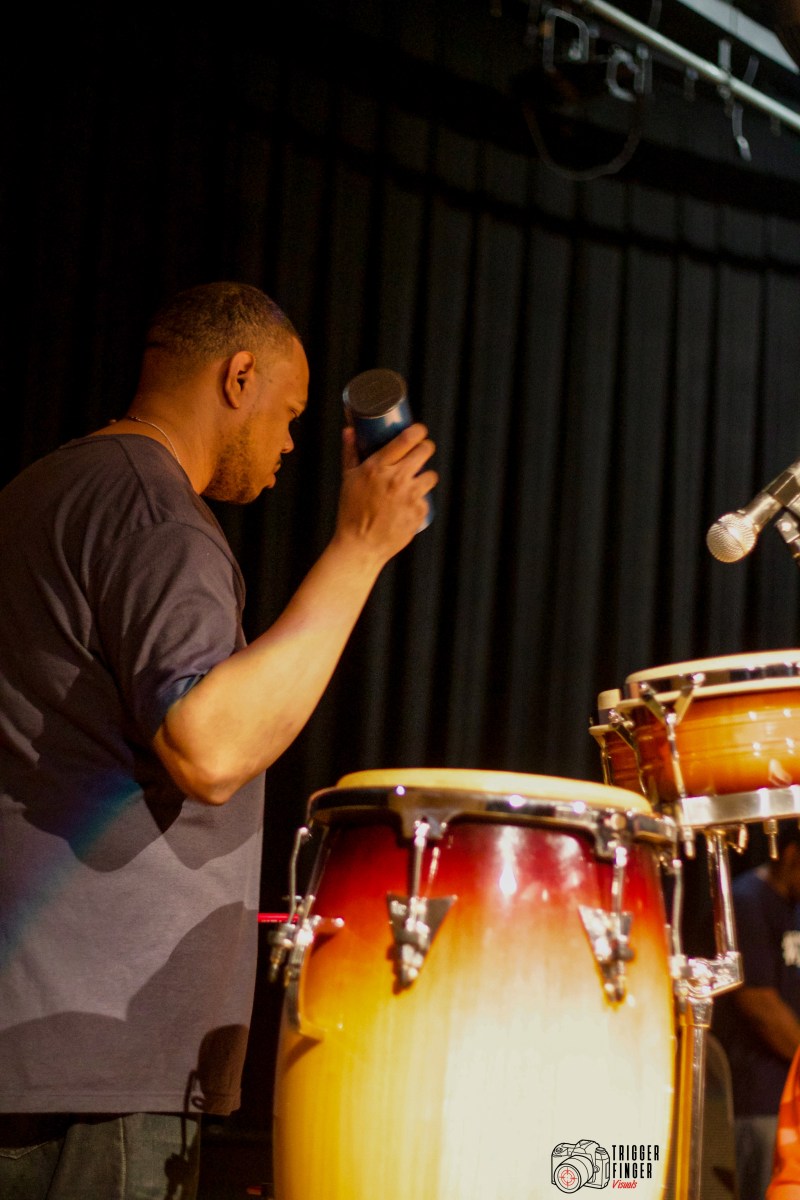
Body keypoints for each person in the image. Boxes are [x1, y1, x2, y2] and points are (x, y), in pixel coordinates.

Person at [0, 281, 437, 1199]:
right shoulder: (158, 517)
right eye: (289, 414)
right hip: (96, 1067)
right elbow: (211, 749)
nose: (289, 445)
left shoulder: (39, 490)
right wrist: (359, 548)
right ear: (239, 378)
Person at [715, 825, 800, 1200]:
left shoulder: (795, 905)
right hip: (761, 1099)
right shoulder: (747, 900)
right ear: (793, 855)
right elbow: (760, 1005)